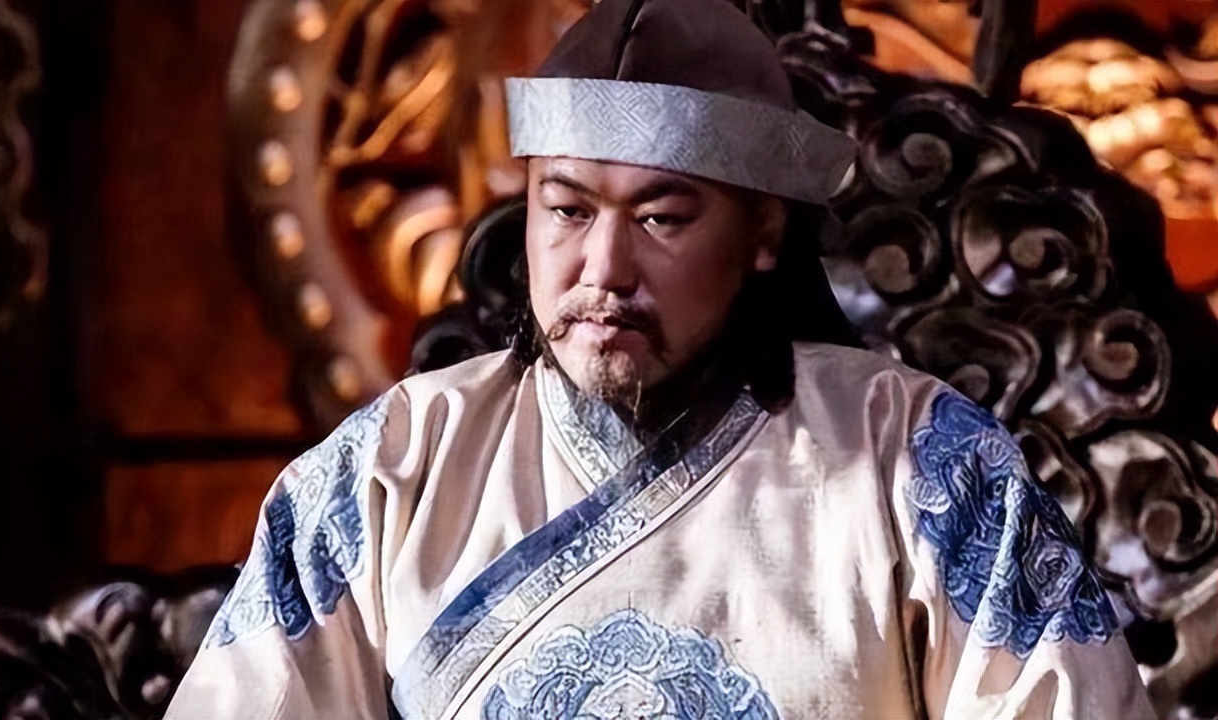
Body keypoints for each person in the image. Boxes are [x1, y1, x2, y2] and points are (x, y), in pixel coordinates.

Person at [167, 0, 1154, 717]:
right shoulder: (390, 470)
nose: (602, 269)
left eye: (660, 218)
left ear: (762, 232)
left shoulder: (920, 464)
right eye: (566, 210)